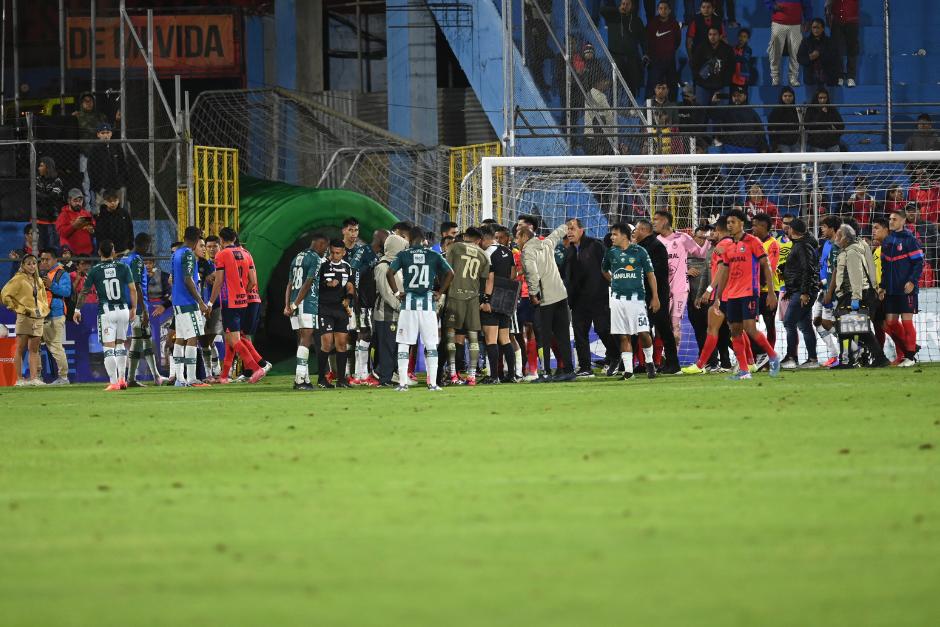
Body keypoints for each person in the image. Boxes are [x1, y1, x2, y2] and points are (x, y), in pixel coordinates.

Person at [710, 209, 781, 379]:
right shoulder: (728, 246)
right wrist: (718, 297)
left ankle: (773, 356)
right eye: (728, 223)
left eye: (733, 222)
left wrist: (771, 293)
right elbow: (724, 271)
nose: (730, 225)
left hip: (749, 291)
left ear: (742, 223)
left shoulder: (752, 241)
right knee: (735, 331)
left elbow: (766, 266)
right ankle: (744, 371)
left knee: (750, 328)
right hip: (732, 294)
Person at [387, 225, 454, 392]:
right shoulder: (433, 255)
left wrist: (397, 292)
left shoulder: (403, 255)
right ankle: (433, 384)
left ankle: (402, 384)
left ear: (410, 239)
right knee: (431, 344)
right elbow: (450, 273)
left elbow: (389, 272)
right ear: (424, 239)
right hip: (427, 305)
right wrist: (440, 292)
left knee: (404, 344)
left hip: (408, 305)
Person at [73, 239, 137, 391]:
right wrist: (134, 308)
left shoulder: (95, 270)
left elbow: (84, 292)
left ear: (99, 252)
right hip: (123, 310)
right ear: (113, 252)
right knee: (121, 344)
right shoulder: (123, 267)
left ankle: (113, 382)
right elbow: (133, 289)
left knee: (108, 347)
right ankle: (122, 380)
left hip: (107, 311)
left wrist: (77, 310)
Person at [517, 221, 576, 383]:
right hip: (561, 295)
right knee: (562, 335)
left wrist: (533, 293)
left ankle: (546, 372)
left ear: (524, 237)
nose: (516, 241)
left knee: (543, 336)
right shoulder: (546, 243)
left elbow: (532, 273)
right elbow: (557, 234)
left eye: (518, 237)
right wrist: (567, 225)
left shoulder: (527, 251)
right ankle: (569, 370)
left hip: (546, 298)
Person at [208, 228, 266, 385]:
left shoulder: (222, 255)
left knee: (234, 339)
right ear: (235, 238)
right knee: (232, 338)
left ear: (221, 240)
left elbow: (219, 281)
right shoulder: (246, 253)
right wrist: (242, 293)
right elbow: (253, 281)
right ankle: (224, 376)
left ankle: (258, 367)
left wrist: (210, 302)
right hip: (244, 301)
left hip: (230, 302)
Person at [602, 222, 659, 379]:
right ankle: (628, 371)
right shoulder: (610, 253)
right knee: (623, 335)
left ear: (624, 236)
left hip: (637, 299)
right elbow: (604, 270)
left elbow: (650, 274)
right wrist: (613, 281)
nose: (612, 237)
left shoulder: (640, 251)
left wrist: (655, 296)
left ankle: (649, 362)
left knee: (643, 333)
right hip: (617, 299)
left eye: (615, 234)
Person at [830, 224, 888, 367]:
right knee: (857, 329)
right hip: (859, 293)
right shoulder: (858, 247)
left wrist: (855, 297)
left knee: (849, 328)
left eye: (839, 235)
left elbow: (856, 276)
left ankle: (849, 360)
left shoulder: (851, 253)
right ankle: (873, 358)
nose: (836, 238)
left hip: (852, 293)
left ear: (845, 238)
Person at [683, 217, 734, 374]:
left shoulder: (725, 246)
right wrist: (701, 294)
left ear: (719, 231)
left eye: (712, 231)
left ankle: (752, 357)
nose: (709, 234)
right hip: (716, 296)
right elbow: (706, 273)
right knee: (720, 330)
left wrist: (710, 290)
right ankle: (717, 363)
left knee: (730, 331)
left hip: (726, 295)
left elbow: (722, 271)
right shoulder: (713, 249)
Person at [562, 218, 612, 377]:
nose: (569, 232)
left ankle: (616, 358)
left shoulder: (595, 245)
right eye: (567, 229)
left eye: (572, 228)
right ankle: (585, 367)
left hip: (598, 297)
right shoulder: (568, 251)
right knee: (579, 333)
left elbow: (608, 266)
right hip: (578, 300)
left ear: (581, 230)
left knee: (603, 329)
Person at [653, 209, 709, 347]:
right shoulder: (655, 241)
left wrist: (708, 239)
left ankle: (673, 357)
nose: (653, 222)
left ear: (665, 221)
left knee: (675, 324)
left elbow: (701, 254)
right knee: (661, 325)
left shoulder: (682, 238)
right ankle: (661, 355)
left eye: (656, 219)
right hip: (661, 289)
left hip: (680, 288)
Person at [444, 227, 490, 386]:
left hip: (455, 295)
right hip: (473, 298)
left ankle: (452, 374)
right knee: (473, 336)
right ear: (478, 240)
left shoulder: (455, 247)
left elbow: (447, 271)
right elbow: (483, 281)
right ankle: (471, 376)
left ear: (465, 236)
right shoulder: (484, 255)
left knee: (451, 334)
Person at [633, 219, 679, 373]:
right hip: (644, 294)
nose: (634, 232)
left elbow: (657, 274)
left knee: (663, 329)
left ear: (644, 230)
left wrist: (655, 296)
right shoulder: (642, 246)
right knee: (643, 328)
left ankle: (673, 364)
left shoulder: (656, 247)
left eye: (636, 229)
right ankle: (646, 363)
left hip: (656, 295)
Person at [879, 209, 925, 367]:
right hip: (891, 290)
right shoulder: (887, 241)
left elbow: (919, 263)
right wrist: (882, 286)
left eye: (895, 219)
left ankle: (910, 357)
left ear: (903, 221)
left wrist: (912, 281)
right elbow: (884, 267)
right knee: (890, 323)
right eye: (890, 219)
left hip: (906, 289)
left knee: (907, 322)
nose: (891, 221)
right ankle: (908, 348)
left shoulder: (910, 240)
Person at [170, 227, 212, 387]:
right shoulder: (188, 254)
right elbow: (188, 280)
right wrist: (200, 301)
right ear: (196, 239)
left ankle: (180, 379)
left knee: (180, 339)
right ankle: (192, 378)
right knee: (193, 338)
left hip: (177, 302)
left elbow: (174, 279)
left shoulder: (176, 253)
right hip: (188, 303)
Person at [121, 233, 164, 387]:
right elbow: (137, 286)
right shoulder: (137, 261)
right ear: (144, 244)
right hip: (138, 306)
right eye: (148, 245)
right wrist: (144, 310)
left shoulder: (124, 259)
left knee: (143, 339)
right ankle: (134, 378)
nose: (148, 248)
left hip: (126, 304)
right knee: (141, 339)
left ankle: (153, 376)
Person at [284, 234, 327, 391]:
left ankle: (305, 377)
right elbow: (308, 282)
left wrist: (288, 305)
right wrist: (296, 304)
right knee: (307, 338)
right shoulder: (315, 258)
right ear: (320, 244)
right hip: (307, 303)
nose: (325, 251)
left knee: (301, 340)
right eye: (325, 248)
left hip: (293, 302)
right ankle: (300, 379)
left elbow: (289, 283)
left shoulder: (297, 257)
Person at [1, 255, 50, 386]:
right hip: (25, 317)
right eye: (29, 264)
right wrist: (17, 308)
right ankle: (19, 379)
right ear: (23, 265)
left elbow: (43, 297)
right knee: (20, 348)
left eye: (34, 263)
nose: (32, 266)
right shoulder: (18, 279)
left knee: (34, 349)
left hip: (38, 317)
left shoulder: (38, 280)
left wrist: (44, 309)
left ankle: (34, 378)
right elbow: (5, 295)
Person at [314, 239, 356, 388]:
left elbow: (350, 285)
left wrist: (348, 298)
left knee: (342, 344)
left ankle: (341, 379)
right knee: (327, 343)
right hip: (325, 308)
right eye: (332, 252)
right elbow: (314, 284)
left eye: (338, 253)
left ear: (343, 253)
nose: (334, 255)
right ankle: (321, 378)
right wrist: (327, 283)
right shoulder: (322, 265)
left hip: (340, 310)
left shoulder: (347, 267)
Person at [479, 225, 518, 384]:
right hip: (507, 297)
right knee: (505, 339)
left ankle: (494, 376)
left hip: (492, 298)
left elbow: (489, 278)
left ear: (484, 239)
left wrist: (486, 299)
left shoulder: (486, 253)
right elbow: (513, 274)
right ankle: (512, 375)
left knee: (491, 339)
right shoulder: (508, 251)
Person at [779, 217, 819, 369]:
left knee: (789, 322)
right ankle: (812, 359)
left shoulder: (802, 246)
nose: (787, 230)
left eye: (789, 228)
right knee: (805, 325)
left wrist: (805, 292)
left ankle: (791, 357)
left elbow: (807, 269)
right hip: (800, 290)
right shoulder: (801, 244)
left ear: (793, 230)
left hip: (801, 292)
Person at [344, 219, 381, 384]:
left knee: (360, 333)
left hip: (359, 299)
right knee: (347, 336)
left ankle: (357, 373)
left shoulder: (361, 250)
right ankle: (346, 372)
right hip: (345, 300)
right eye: (351, 230)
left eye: (356, 230)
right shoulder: (337, 250)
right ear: (343, 231)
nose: (354, 234)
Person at [373, 233, 406, 387]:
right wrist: (401, 307)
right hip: (386, 314)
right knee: (387, 347)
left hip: (398, 313)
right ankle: (384, 378)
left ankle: (391, 375)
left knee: (396, 347)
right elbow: (386, 293)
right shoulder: (382, 267)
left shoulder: (397, 265)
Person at [750, 213, 781, 369]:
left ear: (763, 226)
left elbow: (771, 267)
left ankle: (769, 358)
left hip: (769, 290)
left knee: (769, 324)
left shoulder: (773, 244)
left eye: (755, 225)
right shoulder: (752, 242)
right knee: (750, 325)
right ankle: (756, 355)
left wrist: (767, 290)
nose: (752, 228)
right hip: (753, 290)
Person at [600, 0, 648, 98]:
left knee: (632, 82)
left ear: (632, 6)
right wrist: (617, 10)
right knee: (615, 82)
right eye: (623, 4)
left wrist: (645, 53)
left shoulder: (637, 20)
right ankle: (613, 104)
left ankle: (632, 105)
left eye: (627, 4)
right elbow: (602, 10)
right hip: (616, 56)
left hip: (631, 56)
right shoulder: (613, 17)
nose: (625, 6)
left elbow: (643, 39)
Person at [38, 248, 72, 385]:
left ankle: (63, 377)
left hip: (55, 314)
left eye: (47, 259)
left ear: (55, 260)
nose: (44, 262)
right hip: (40, 314)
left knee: (55, 346)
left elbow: (67, 292)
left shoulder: (62, 274)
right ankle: (37, 376)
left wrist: (52, 286)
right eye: (42, 259)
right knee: (35, 345)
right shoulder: (40, 273)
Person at [813, 215, 843, 366]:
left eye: (824, 227)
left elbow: (836, 271)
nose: (822, 229)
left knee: (827, 322)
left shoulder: (838, 246)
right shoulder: (826, 244)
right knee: (817, 321)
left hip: (832, 290)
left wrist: (828, 288)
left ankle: (852, 347)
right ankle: (833, 354)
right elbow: (825, 266)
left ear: (832, 229)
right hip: (824, 288)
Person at [766, 0, 812, 87]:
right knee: (775, 51)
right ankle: (775, 77)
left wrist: (808, 19)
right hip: (778, 23)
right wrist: (772, 6)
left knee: (796, 52)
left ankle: (793, 78)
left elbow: (807, 4)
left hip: (796, 24)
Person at [804, 88, 844, 184]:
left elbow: (841, 125)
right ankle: (822, 193)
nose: (822, 100)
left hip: (832, 144)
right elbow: (807, 125)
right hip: (817, 146)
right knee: (820, 173)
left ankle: (839, 193)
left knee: (837, 171)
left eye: (824, 98)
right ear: (816, 98)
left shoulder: (832, 109)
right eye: (820, 98)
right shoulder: (811, 110)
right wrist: (822, 113)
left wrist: (835, 134)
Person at [197, 235, 223, 383]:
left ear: (220, 246)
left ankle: (220, 370)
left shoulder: (223, 263)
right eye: (208, 247)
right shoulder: (203, 264)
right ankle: (211, 372)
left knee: (211, 338)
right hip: (203, 306)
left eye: (215, 246)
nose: (211, 249)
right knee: (204, 341)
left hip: (218, 306)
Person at [689, 26, 734, 107]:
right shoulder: (700, 48)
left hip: (721, 86)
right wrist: (698, 79)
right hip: (703, 85)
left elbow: (730, 68)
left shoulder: (728, 50)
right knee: (700, 110)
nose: (712, 37)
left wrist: (724, 83)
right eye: (710, 34)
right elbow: (694, 65)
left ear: (720, 36)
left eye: (714, 34)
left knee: (722, 111)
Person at [87, 123, 128, 211]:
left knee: (118, 210)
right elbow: (91, 169)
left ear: (111, 134)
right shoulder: (94, 149)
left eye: (107, 132)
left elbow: (123, 165)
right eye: (103, 133)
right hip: (101, 187)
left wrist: (121, 183)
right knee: (101, 211)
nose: (105, 135)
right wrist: (98, 186)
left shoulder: (117, 146)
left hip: (116, 185)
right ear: (98, 134)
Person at [646, 1, 681, 99]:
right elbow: (647, 40)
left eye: (665, 8)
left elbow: (677, 41)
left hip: (670, 60)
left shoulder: (674, 24)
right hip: (655, 60)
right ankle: (649, 107)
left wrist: (669, 51)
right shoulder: (652, 24)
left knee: (672, 85)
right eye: (661, 8)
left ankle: (672, 106)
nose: (663, 10)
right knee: (652, 85)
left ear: (669, 10)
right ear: (658, 10)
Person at [797, 18, 840, 88]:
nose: (816, 30)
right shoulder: (806, 41)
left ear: (823, 29)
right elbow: (799, 58)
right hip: (810, 80)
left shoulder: (830, 42)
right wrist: (810, 57)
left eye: (818, 28)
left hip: (828, 79)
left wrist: (820, 54)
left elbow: (835, 58)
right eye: (814, 27)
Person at [825, 0, 860, 87]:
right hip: (836, 21)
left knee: (852, 48)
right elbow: (828, 4)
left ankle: (851, 77)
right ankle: (839, 76)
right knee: (836, 49)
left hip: (851, 21)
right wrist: (828, 15)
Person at [55, 189, 95, 256]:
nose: (78, 203)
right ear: (69, 201)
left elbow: (93, 225)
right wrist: (74, 225)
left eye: (80, 201)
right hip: (72, 253)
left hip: (87, 252)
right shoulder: (63, 215)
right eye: (75, 201)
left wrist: (91, 229)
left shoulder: (86, 213)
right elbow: (61, 233)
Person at [36, 156, 64, 251]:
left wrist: (42, 196)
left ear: (48, 167)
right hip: (39, 217)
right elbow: (33, 196)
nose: (39, 168)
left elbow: (54, 197)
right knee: (40, 247)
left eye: (41, 166)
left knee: (54, 248)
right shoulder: (37, 180)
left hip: (53, 217)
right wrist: (47, 196)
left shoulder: (57, 181)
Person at [583, 74, 616, 155]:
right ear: (599, 83)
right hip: (598, 136)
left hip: (596, 135)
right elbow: (607, 114)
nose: (607, 85)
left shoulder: (594, 94)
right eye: (605, 82)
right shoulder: (597, 95)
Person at [94, 189, 134, 255]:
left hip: (123, 251)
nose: (113, 203)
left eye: (115, 200)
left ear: (118, 200)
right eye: (109, 201)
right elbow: (99, 236)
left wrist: (129, 248)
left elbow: (130, 230)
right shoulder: (101, 216)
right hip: (107, 253)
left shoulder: (124, 214)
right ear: (105, 201)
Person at [730, 28, 753, 94]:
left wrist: (734, 57)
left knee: (743, 96)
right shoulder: (733, 48)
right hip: (733, 77)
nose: (742, 38)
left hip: (743, 77)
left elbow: (744, 59)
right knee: (733, 95)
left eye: (744, 37)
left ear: (748, 39)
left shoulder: (748, 49)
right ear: (738, 37)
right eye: (740, 36)